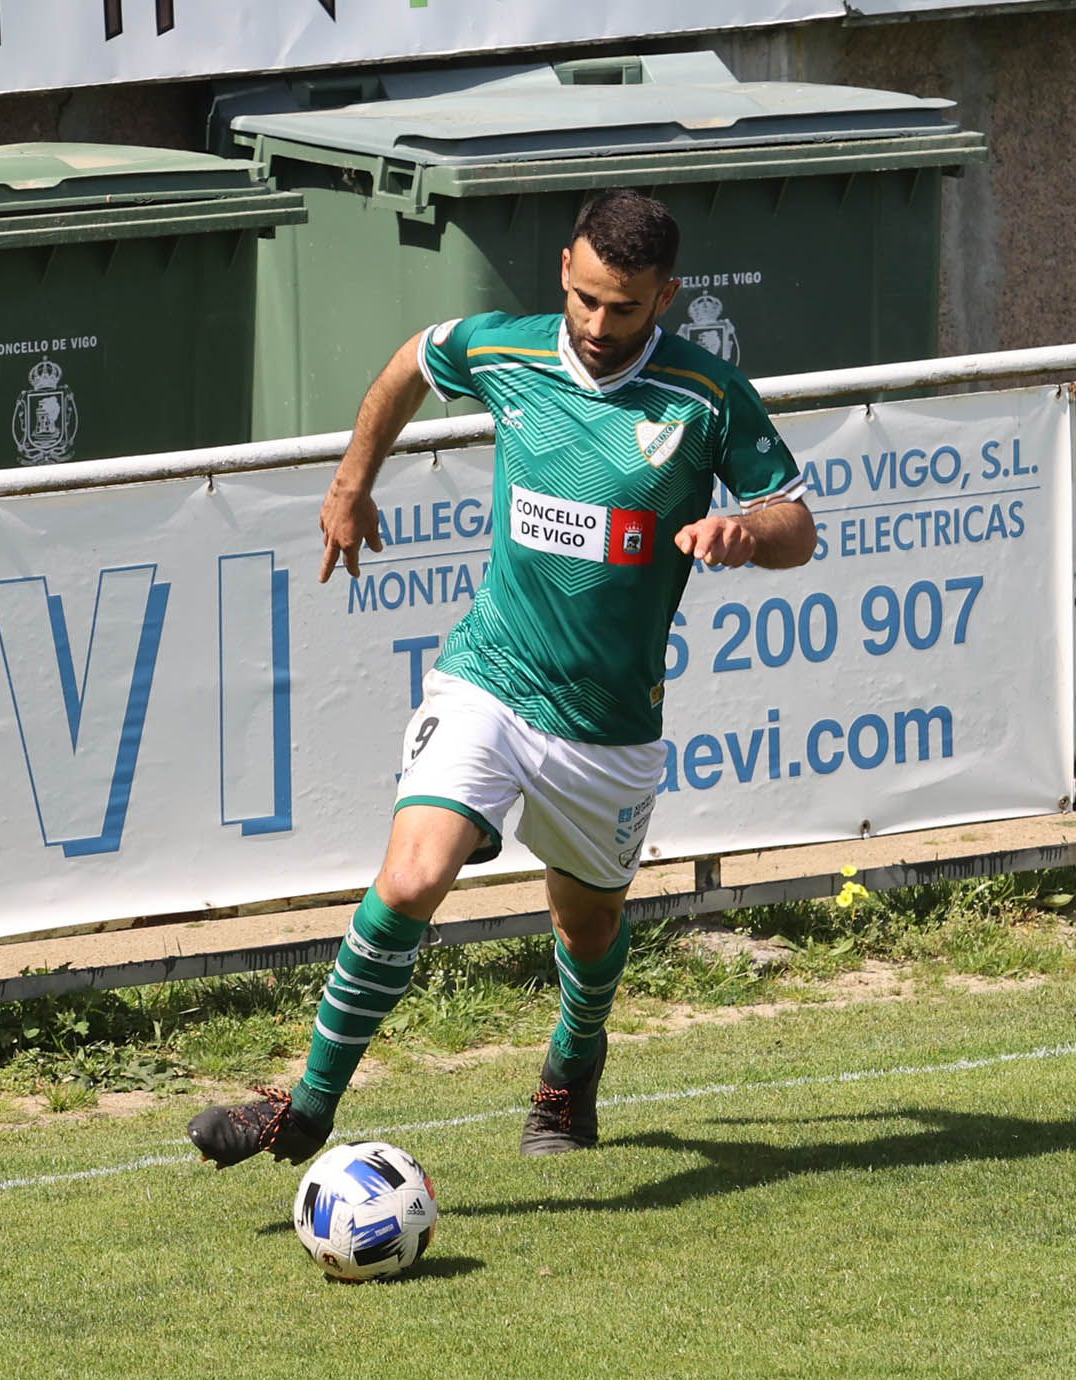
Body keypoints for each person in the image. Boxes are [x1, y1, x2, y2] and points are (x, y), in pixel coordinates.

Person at [188, 189, 815, 1167]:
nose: (602, 326)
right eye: (589, 300)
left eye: (628, 308)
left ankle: (572, 1062)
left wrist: (746, 531)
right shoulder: (508, 351)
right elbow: (410, 361)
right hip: (492, 674)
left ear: (667, 297)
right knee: (412, 876)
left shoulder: (707, 397)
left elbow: (797, 522)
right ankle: (304, 1108)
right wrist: (354, 479)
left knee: (589, 924)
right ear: (566, 268)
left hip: (607, 723)